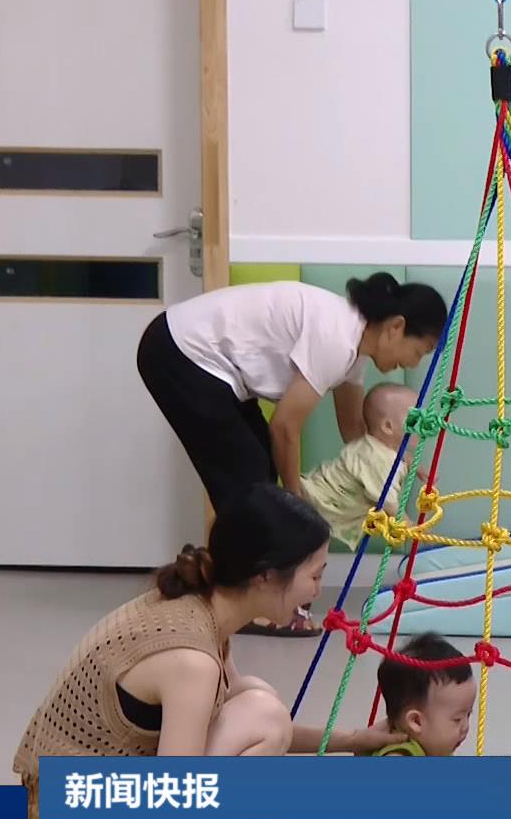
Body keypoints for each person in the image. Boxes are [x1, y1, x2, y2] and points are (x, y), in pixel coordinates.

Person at [12, 485, 401, 819]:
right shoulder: (192, 660)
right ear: (266, 576)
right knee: (262, 713)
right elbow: (175, 800)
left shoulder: (199, 608)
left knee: (254, 696)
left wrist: (355, 740)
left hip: (68, 814)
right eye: (315, 576)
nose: (318, 591)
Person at [136, 272, 446, 635]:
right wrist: (296, 503)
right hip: (180, 352)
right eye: (419, 351)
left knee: (258, 474)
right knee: (249, 479)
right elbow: (284, 428)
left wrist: (402, 461)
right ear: (396, 327)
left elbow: (354, 431)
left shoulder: (354, 349)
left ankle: (245, 590)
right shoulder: (337, 338)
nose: (413, 363)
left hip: (201, 359)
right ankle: (245, 603)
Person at [300, 382, 418, 551]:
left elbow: (401, 457)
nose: (422, 425)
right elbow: (387, 500)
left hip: (316, 493)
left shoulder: (376, 446)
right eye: (415, 419)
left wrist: (416, 467)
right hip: (317, 501)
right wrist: (409, 526)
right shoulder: (379, 460)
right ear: (388, 427)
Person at [370, 633, 477, 756]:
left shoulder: (433, 747)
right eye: (457, 719)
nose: (465, 727)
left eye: (468, 715)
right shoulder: (398, 755)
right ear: (416, 721)